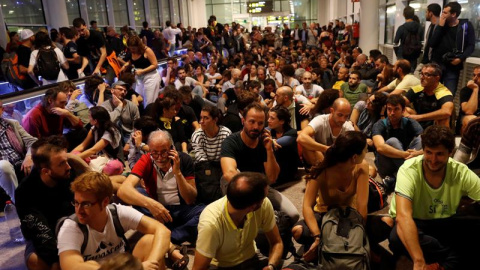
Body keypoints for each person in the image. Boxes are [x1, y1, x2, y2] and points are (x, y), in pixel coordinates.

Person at [388, 125, 480, 270]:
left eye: (439, 154)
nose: (433, 159)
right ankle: (450, 259)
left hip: (445, 221)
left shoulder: (460, 172)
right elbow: (403, 217)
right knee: (397, 237)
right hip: (416, 222)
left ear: (450, 153)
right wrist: (419, 261)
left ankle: (442, 262)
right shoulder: (409, 170)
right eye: (428, 152)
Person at [57, 171, 171, 270]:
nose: (79, 210)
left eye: (86, 204)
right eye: (76, 203)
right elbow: (72, 266)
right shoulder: (70, 227)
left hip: (124, 265)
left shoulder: (118, 213)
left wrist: (150, 263)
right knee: (89, 265)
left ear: (105, 202)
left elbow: (163, 231)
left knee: (150, 241)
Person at [292, 131, 369, 262]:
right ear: (354, 157)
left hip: (349, 214)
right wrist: (317, 236)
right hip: (324, 214)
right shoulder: (321, 169)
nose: (367, 152)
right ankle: (324, 243)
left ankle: (328, 246)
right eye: (365, 150)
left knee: (385, 225)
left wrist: (358, 233)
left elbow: (362, 205)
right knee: (298, 231)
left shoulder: (362, 167)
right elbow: (307, 206)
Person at [117, 130, 205, 244]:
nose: (159, 158)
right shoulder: (147, 159)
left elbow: (190, 199)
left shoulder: (184, 159)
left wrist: (177, 173)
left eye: (164, 152)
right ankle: (172, 232)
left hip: (181, 209)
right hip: (156, 210)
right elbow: (123, 190)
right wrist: (151, 204)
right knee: (137, 193)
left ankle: (169, 236)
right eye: (155, 153)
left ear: (172, 148)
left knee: (205, 213)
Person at [220, 103, 300, 223]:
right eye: (251, 122)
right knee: (247, 218)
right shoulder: (231, 141)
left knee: (293, 215)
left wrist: (269, 150)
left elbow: (272, 178)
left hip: (260, 187)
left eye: (260, 123)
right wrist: (257, 194)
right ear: (243, 121)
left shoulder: (265, 142)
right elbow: (229, 173)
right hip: (237, 186)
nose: (256, 127)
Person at [15, 137, 85, 270]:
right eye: (61, 164)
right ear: (46, 171)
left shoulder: (70, 174)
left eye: (67, 161)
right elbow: (40, 231)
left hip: (74, 226)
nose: (68, 167)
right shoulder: (25, 191)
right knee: (36, 261)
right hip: (47, 234)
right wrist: (55, 260)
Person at [193, 172, 283, 270]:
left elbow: (277, 243)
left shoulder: (264, 204)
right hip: (221, 266)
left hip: (251, 258)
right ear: (253, 207)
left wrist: (271, 266)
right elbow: (198, 268)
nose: (266, 198)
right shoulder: (211, 223)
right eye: (264, 196)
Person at [372, 94, 423, 192]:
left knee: (421, 139)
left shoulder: (410, 122)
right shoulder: (380, 124)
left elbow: (428, 143)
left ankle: (395, 178)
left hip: (405, 159)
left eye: (396, 109)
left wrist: (417, 153)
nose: (392, 113)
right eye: (389, 109)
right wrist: (405, 154)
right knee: (392, 141)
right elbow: (380, 147)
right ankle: (412, 174)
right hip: (386, 164)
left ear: (403, 111)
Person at [430, 1, 475, 96]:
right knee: (433, 93)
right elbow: (432, 44)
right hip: (437, 65)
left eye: (445, 13)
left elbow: (471, 45)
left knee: (449, 94)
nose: (442, 15)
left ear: (454, 14)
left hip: (453, 67)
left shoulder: (465, 26)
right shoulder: (440, 25)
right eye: (443, 12)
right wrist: (440, 27)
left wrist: (461, 58)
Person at [297, 98, 354, 165]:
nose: (343, 120)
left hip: (337, 161)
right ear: (332, 111)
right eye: (340, 115)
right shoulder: (320, 120)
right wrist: (325, 148)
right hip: (318, 157)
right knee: (307, 143)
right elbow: (301, 138)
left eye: (346, 116)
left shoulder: (348, 127)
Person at [0, 101, 36, 203]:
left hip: (21, 162)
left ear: (2, 110)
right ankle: (18, 202)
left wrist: (29, 157)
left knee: (41, 161)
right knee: (4, 166)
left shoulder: (12, 124)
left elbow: (32, 141)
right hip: (2, 166)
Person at [71, 106, 124, 177]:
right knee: (75, 153)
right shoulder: (94, 128)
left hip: (112, 160)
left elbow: (93, 150)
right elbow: (83, 145)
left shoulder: (111, 131)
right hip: (99, 158)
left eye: (89, 116)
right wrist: (70, 155)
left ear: (95, 121)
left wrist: (73, 159)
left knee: (113, 166)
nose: (88, 118)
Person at [404, 63, 454, 129]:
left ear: (437, 78)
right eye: (421, 74)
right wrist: (406, 114)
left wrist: (420, 117)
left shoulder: (443, 92)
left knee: (443, 118)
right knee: (404, 109)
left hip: (434, 125)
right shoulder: (417, 89)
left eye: (427, 75)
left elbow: (447, 112)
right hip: (418, 121)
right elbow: (398, 102)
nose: (421, 77)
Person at [73, 17, 120, 84]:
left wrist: (97, 68)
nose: (81, 33)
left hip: (108, 60)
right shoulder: (80, 41)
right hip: (96, 62)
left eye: (82, 30)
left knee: (108, 81)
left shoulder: (96, 35)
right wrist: (82, 68)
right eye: (78, 31)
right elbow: (85, 57)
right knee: (94, 83)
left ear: (85, 26)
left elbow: (104, 53)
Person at [120, 35, 160, 108]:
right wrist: (125, 65)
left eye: (134, 48)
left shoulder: (147, 50)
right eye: (130, 48)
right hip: (139, 78)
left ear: (138, 46)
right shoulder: (131, 51)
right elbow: (131, 60)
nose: (132, 50)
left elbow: (155, 65)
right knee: (138, 97)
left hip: (151, 77)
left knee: (148, 101)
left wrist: (143, 71)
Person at [267, 106, 300, 186]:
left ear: (281, 121)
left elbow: (278, 143)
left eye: (272, 118)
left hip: (287, 171)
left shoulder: (292, 133)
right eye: (268, 117)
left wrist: (270, 141)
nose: (268, 120)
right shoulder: (270, 130)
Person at [100, 80, 140, 145]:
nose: (123, 92)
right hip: (111, 136)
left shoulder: (132, 106)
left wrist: (129, 143)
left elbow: (137, 127)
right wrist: (119, 106)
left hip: (129, 136)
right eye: (120, 89)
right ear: (112, 90)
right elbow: (109, 120)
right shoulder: (105, 106)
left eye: (125, 90)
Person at [394, 6, 423, 70]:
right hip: (414, 55)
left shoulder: (401, 28)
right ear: (413, 15)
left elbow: (395, 43)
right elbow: (422, 42)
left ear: (403, 15)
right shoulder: (419, 27)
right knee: (411, 72)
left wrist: (398, 54)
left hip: (402, 54)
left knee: (402, 73)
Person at [458, 66, 480, 133]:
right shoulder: (466, 90)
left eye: (479, 75)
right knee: (472, 120)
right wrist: (475, 90)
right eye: (474, 75)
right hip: (467, 120)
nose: (475, 78)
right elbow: (469, 111)